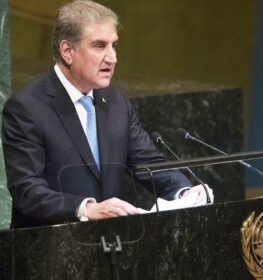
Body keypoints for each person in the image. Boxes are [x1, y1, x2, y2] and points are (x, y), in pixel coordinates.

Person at [2, 0, 213, 229]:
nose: (112, 58)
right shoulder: (27, 108)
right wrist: (87, 208)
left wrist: (186, 191)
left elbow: (149, 163)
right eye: (100, 46)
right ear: (67, 51)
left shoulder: (115, 102)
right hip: (50, 252)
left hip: (112, 249)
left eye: (114, 45)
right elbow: (28, 191)